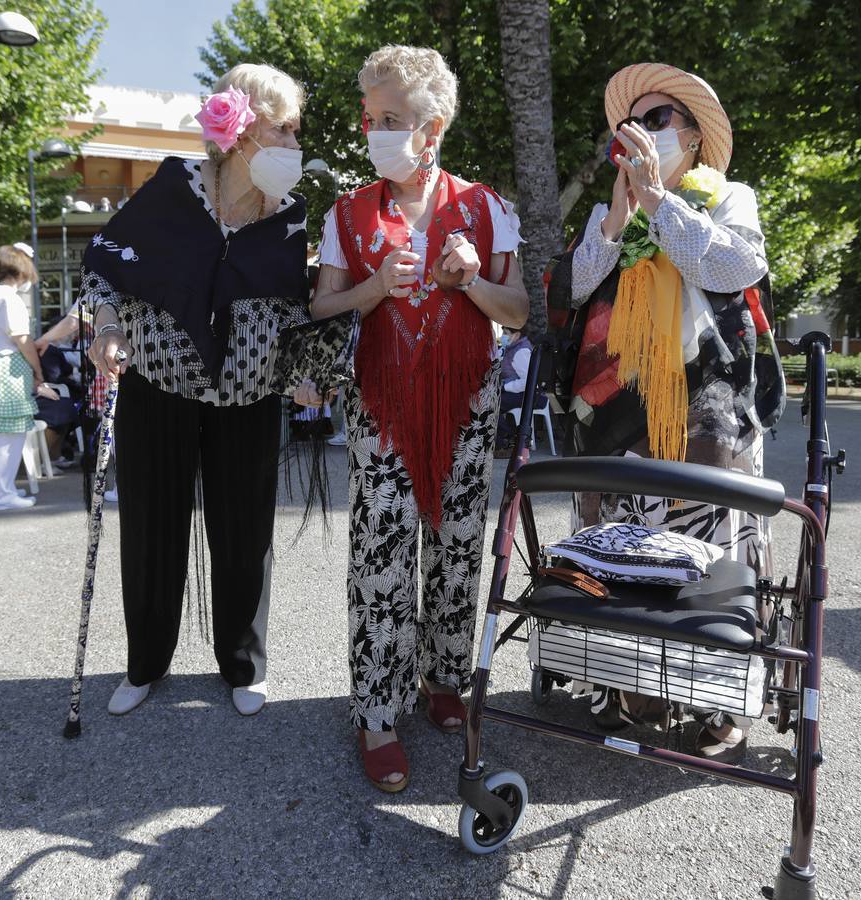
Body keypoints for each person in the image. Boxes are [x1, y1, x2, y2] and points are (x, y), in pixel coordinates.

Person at [83, 63, 346, 719]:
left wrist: (311, 374)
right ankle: (144, 663)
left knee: (244, 532)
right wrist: (108, 333)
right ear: (244, 130)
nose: (294, 143)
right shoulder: (173, 191)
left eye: (296, 131)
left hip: (249, 398)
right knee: (150, 527)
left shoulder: (288, 219)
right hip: (158, 390)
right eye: (283, 129)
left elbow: (293, 313)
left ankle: (244, 666)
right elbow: (106, 274)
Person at [311, 45, 529, 792]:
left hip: (467, 406)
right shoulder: (349, 213)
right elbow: (323, 307)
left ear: (431, 130)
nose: (377, 131)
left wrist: (469, 282)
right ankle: (376, 712)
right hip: (381, 407)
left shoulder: (485, 207)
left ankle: (442, 681)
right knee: (381, 557)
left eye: (392, 118)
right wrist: (374, 286)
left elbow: (520, 311)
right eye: (372, 117)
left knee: (458, 547)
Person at [554, 63, 783, 762]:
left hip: (708, 405)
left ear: (690, 136)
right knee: (621, 536)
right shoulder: (608, 211)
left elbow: (735, 268)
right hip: (620, 407)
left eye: (657, 121)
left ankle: (718, 700)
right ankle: (629, 691)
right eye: (634, 124)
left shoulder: (728, 197)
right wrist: (620, 217)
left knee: (709, 538)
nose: (641, 134)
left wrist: (660, 203)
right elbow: (572, 289)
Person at [0, 244, 57, 511]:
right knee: (9, 435)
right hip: (7, 371)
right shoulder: (9, 299)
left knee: (0, 433)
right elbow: (22, 339)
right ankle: (2, 496)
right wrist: (38, 371)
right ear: (21, 268)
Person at [494, 326, 533, 455]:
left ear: (516, 335)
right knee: (489, 401)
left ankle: (508, 437)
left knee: (492, 405)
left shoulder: (521, 351)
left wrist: (505, 387)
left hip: (523, 394)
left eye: (506, 333)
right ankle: (503, 439)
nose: (503, 336)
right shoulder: (510, 348)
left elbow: (527, 382)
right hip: (513, 391)